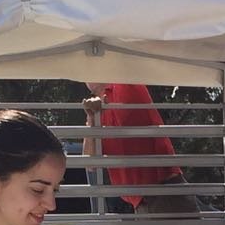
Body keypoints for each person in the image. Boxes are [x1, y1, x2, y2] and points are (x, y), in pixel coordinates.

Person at [82, 82, 200, 213]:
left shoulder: (124, 83)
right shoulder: (98, 108)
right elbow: (90, 163)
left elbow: (129, 122)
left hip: (163, 194)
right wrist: (92, 119)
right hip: (144, 202)